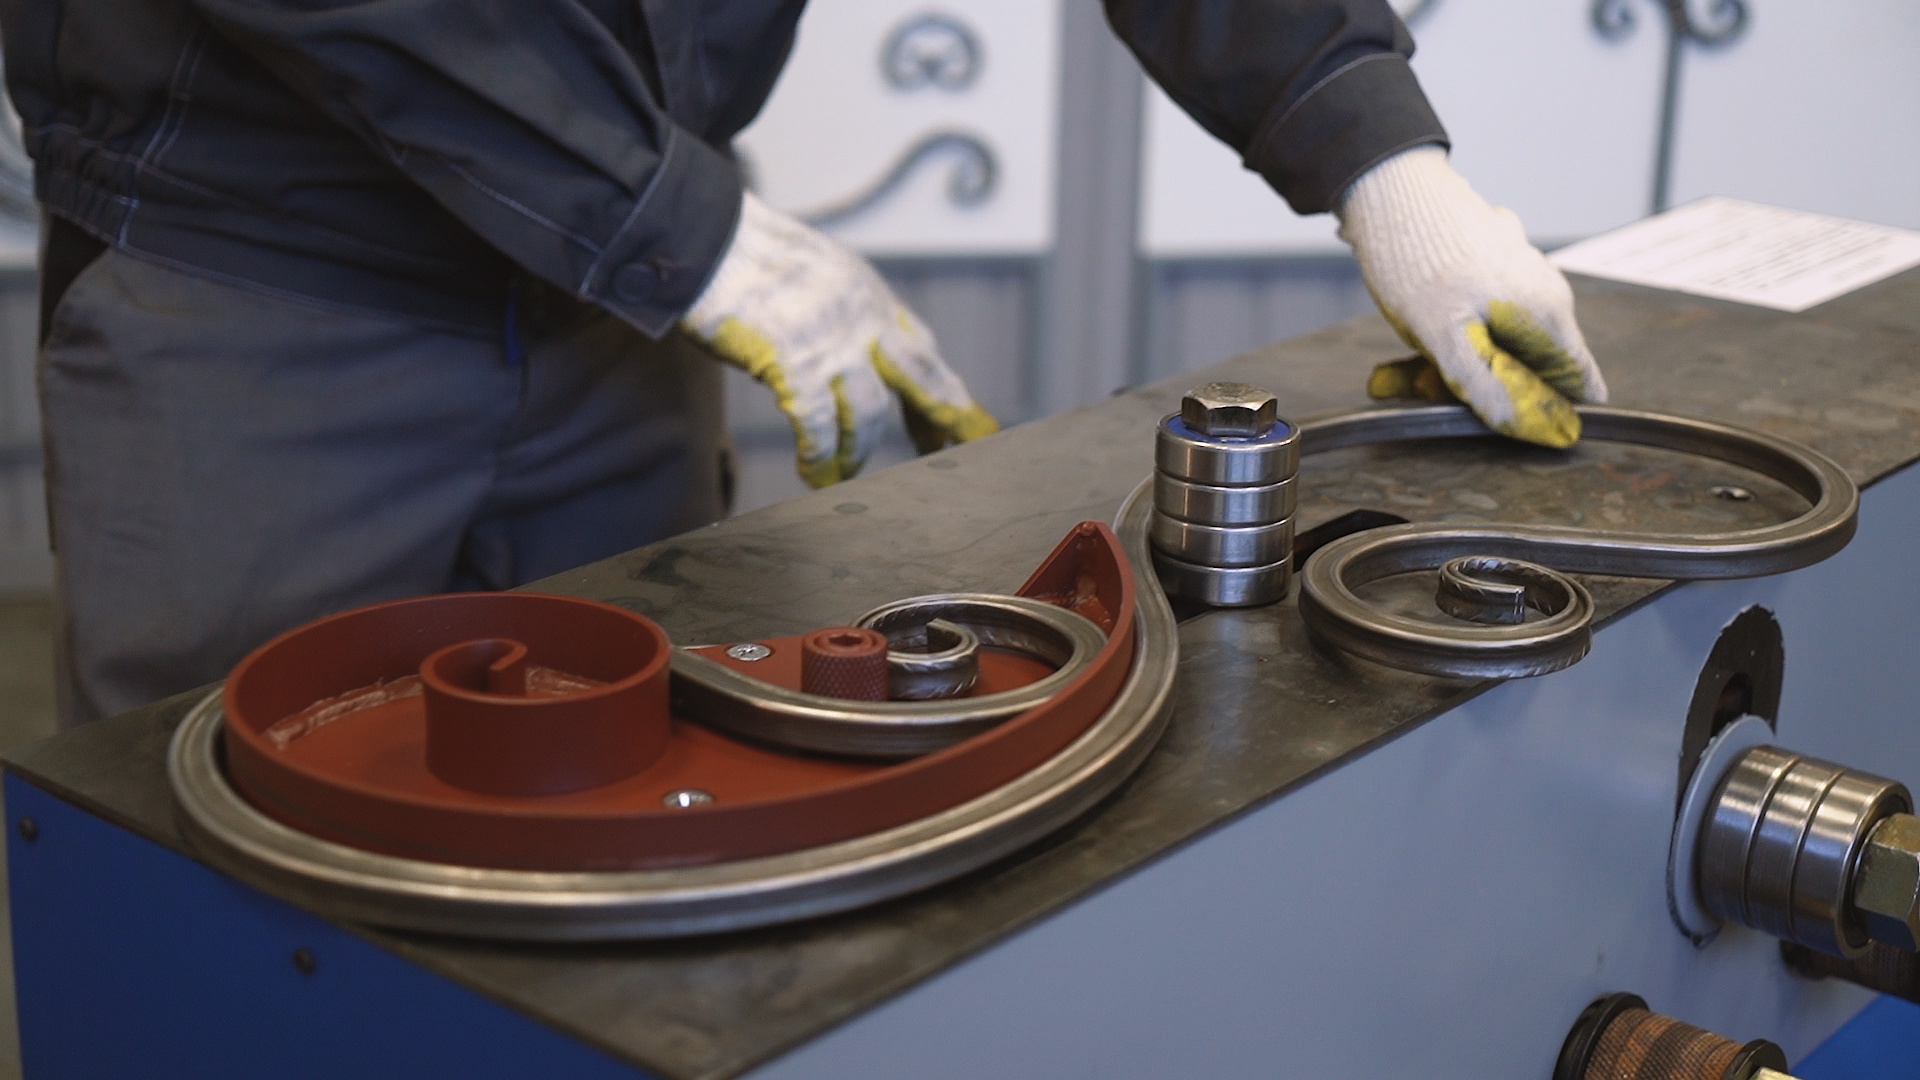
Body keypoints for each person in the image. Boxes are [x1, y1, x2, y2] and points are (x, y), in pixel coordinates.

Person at [0, 0, 1604, 726]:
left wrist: (1373, 152)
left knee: (623, 834)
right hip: (262, 288)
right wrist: (677, 227)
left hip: (617, 310)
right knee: (216, 868)